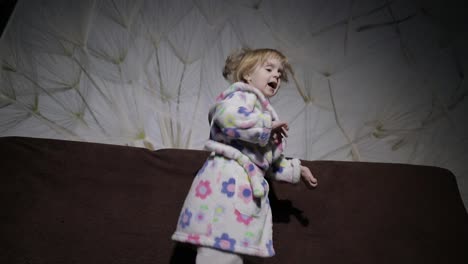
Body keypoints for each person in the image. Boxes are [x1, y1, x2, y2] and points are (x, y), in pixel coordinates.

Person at [172, 48, 318, 264]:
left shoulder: (262, 110)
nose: (276, 75)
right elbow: (226, 117)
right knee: (218, 253)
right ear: (248, 74)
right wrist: (265, 125)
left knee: (231, 255)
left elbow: (268, 161)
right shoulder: (240, 96)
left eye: (279, 72)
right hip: (223, 189)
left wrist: (297, 169)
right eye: (269, 68)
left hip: (241, 197)